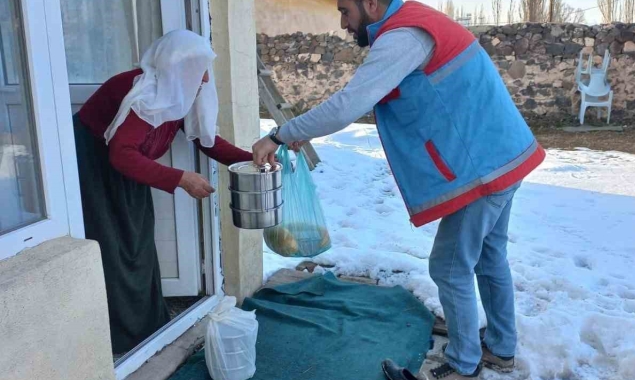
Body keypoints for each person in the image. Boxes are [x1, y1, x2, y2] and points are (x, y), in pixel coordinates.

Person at [252, 0, 546, 379]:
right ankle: (501, 347)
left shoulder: (403, 36)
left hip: (482, 167)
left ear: (371, 4)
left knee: (450, 266)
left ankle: (462, 365)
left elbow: (347, 104)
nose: (343, 23)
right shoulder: (418, 23)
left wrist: (280, 134)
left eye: (345, 11)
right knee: (489, 256)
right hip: (501, 153)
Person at [74, 29, 253, 354]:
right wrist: (181, 178)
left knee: (138, 242)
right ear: (179, 67)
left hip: (129, 166)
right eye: (200, 68)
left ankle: (145, 328)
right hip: (94, 168)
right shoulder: (144, 93)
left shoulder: (177, 90)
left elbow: (204, 140)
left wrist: (252, 159)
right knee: (113, 249)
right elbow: (120, 154)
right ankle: (119, 338)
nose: (206, 77)